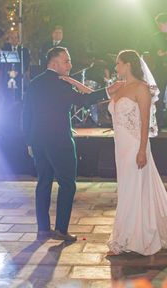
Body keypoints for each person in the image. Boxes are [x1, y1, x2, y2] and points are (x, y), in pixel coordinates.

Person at [62, 50, 167, 256]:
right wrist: (71, 81)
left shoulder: (142, 89)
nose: (115, 68)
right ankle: (125, 234)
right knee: (126, 188)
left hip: (136, 145)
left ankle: (139, 236)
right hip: (121, 147)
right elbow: (91, 97)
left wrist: (142, 150)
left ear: (128, 65)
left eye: (118, 64)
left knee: (136, 187)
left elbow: (145, 122)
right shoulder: (118, 88)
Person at [22, 47, 124, 242]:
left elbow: (26, 114)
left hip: (38, 141)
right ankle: (61, 229)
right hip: (60, 141)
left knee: (43, 183)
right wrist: (108, 91)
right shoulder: (60, 84)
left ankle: (43, 229)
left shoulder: (35, 83)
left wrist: (29, 140)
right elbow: (83, 100)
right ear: (53, 63)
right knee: (67, 184)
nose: (70, 65)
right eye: (66, 61)